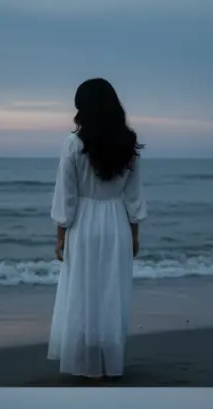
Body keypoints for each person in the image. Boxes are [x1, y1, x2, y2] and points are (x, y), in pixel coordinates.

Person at [48, 78, 147, 380]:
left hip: (84, 224)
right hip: (116, 221)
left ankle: (83, 363)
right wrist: (134, 234)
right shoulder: (127, 143)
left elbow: (66, 194)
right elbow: (134, 194)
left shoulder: (74, 144)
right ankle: (108, 362)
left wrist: (61, 234)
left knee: (82, 291)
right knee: (110, 292)